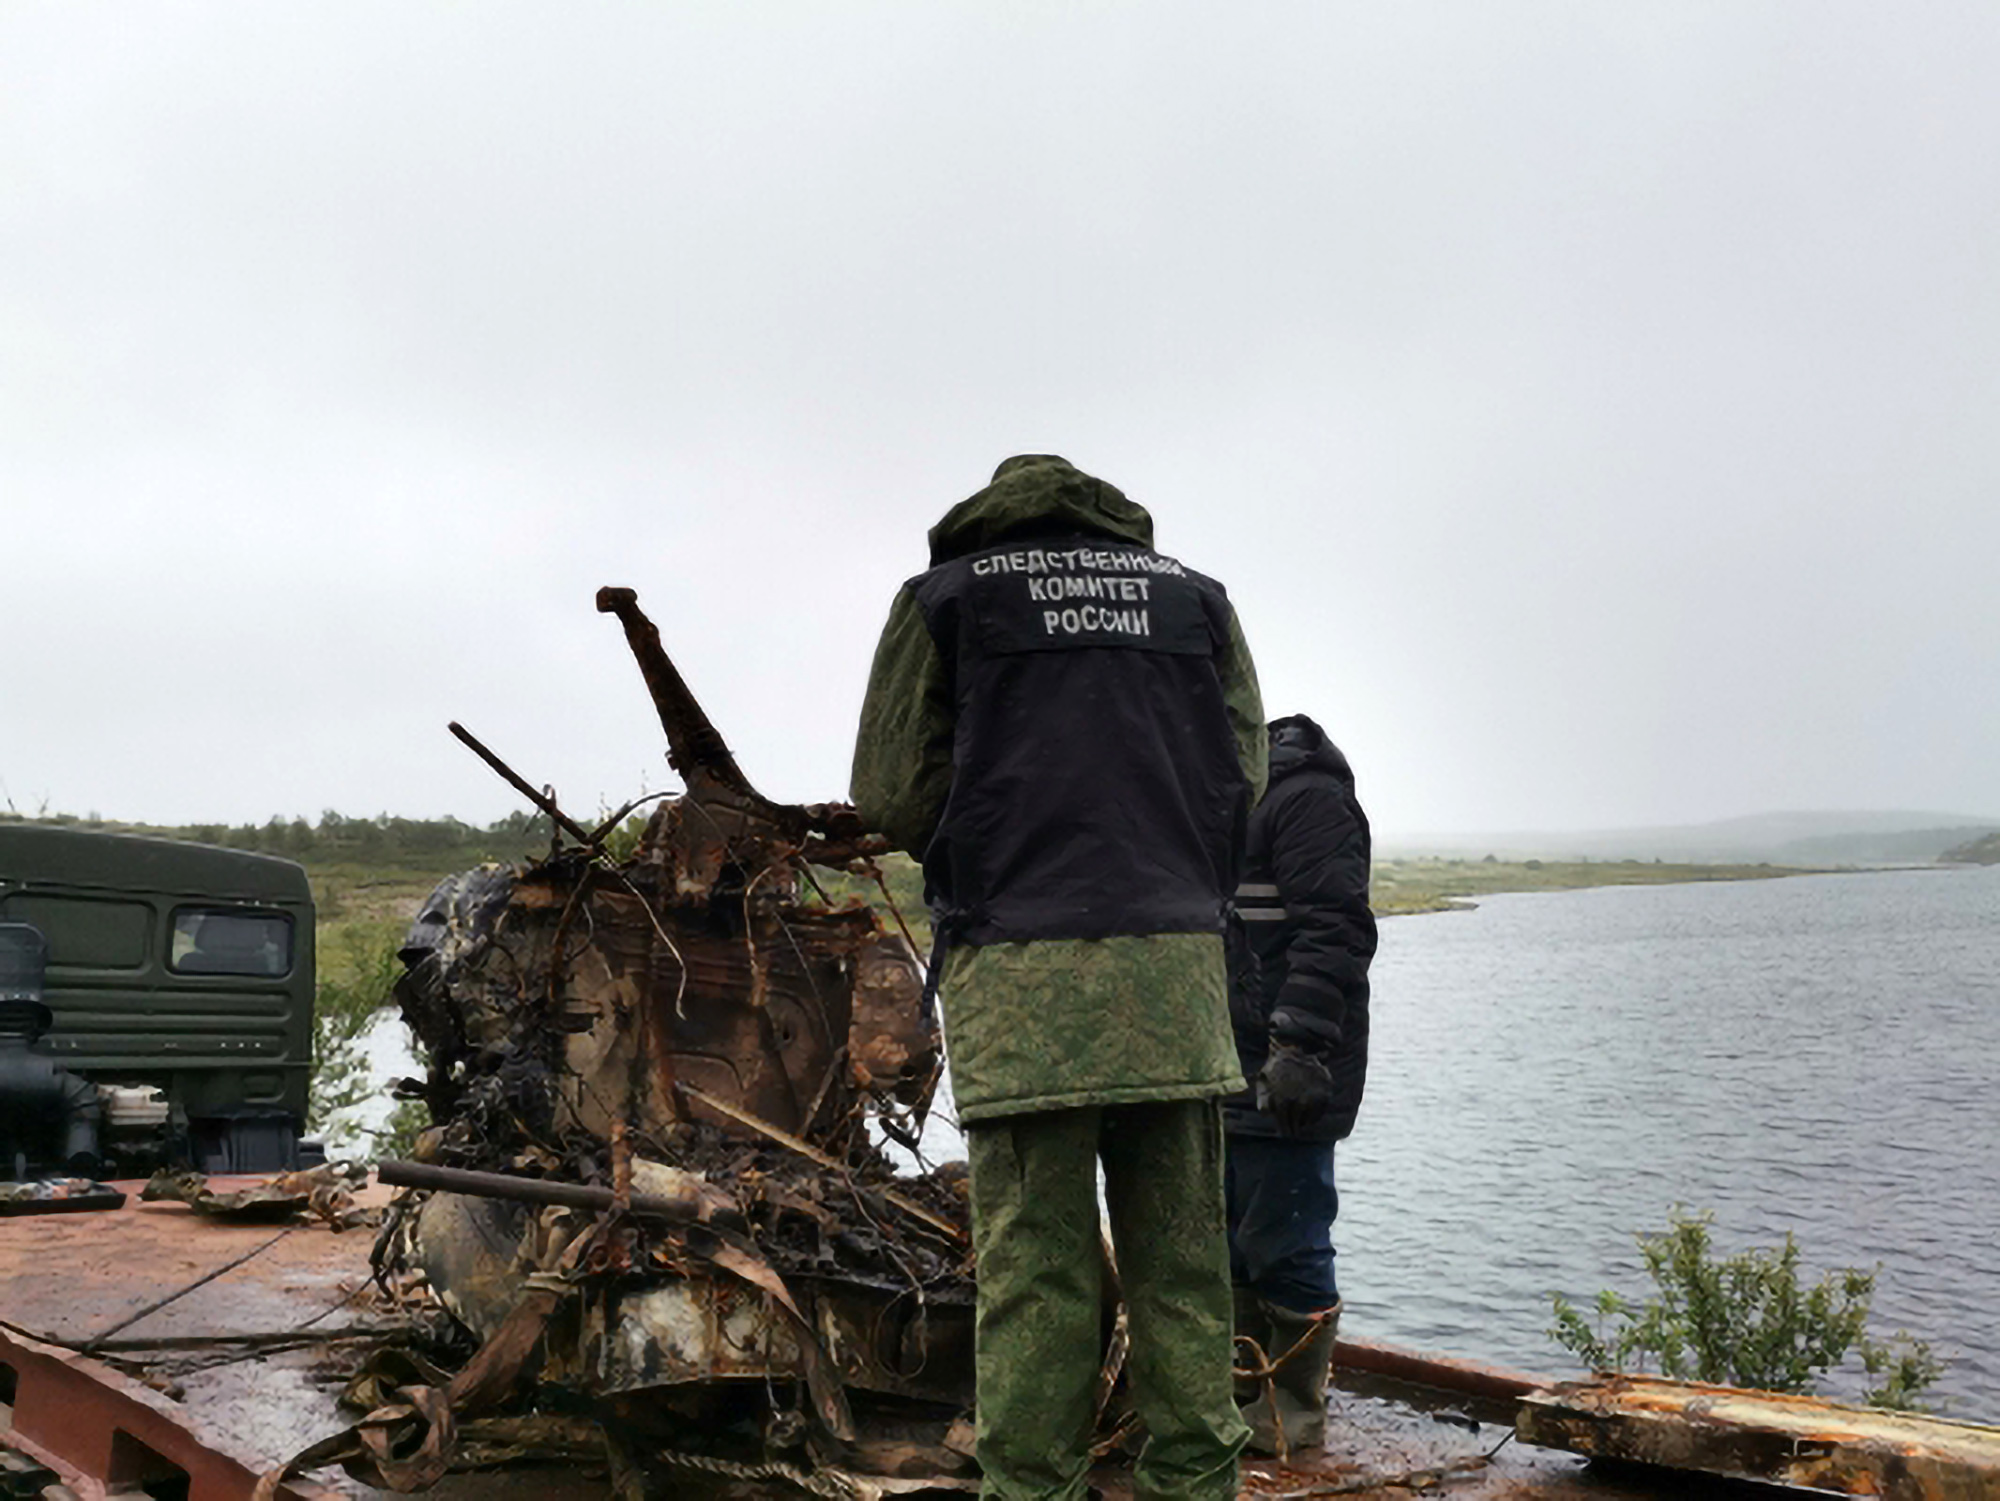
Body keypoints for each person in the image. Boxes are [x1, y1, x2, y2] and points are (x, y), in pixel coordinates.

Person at [851, 455, 1266, 1501]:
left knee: (1036, 1275)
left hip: (1021, 974)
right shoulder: (1193, 600)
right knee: (1183, 1267)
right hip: (1174, 977)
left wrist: (985, 841)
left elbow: (891, 789)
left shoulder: (943, 598)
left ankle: (1031, 1489)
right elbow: (1243, 776)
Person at [1223, 715, 1376, 1454]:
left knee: (1286, 1239)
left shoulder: (1308, 800)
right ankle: (1239, 1399)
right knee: (1227, 1241)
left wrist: (1299, 1044)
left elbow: (1336, 928)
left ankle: (1292, 1413)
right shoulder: (1227, 795)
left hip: (1291, 1068)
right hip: (1223, 1061)